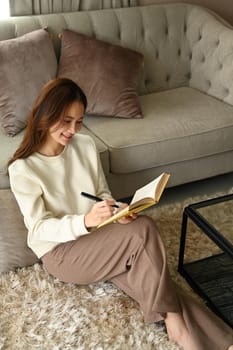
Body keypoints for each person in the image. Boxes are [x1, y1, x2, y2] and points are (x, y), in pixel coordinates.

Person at [8, 77, 233, 350]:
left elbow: (101, 192)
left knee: (154, 278)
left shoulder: (85, 145)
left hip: (101, 237)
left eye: (79, 121)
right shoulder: (23, 169)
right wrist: (85, 221)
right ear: (46, 114)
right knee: (145, 230)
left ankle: (222, 342)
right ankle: (174, 319)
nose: (72, 130)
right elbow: (39, 229)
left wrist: (116, 210)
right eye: (66, 121)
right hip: (61, 253)